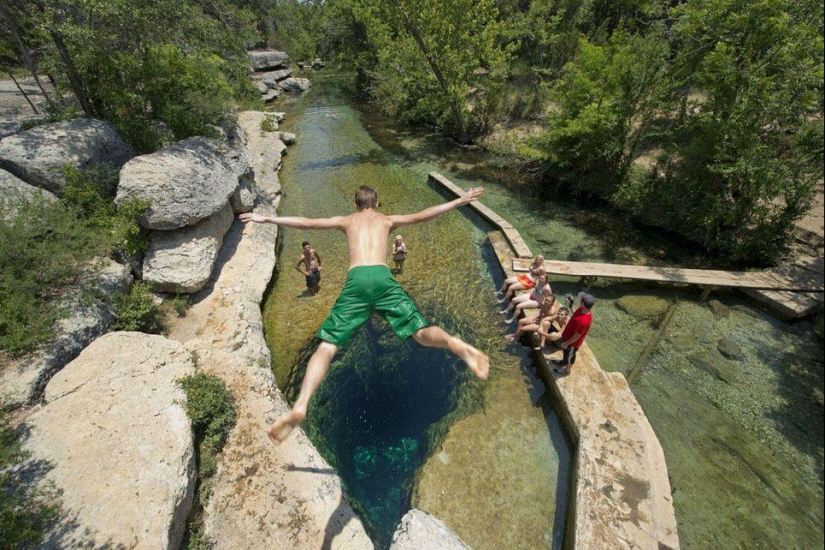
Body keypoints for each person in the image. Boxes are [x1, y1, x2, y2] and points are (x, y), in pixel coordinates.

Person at [240, 185, 490, 445]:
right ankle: (453, 343)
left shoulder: (347, 221)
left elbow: (307, 222)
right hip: (382, 277)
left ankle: (301, 404)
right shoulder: (387, 220)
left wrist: (267, 218)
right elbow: (424, 214)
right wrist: (459, 201)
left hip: (357, 280)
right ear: (377, 203)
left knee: (328, 346)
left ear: (356, 204)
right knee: (419, 331)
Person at [552, 293, 595, 376]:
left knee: (571, 356)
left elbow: (577, 335)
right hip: (568, 335)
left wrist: (567, 343)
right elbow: (576, 315)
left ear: (583, 303)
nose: (579, 300)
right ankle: (564, 362)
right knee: (566, 352)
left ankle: (566, 371)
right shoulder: (583, 309)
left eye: (581, 300)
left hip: (572, 343)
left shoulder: (585, 321)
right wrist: (571, 306)